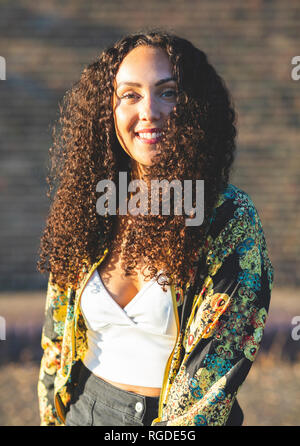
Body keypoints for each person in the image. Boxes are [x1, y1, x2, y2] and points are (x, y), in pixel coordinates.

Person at [37, 30, 274, 426]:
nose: (149, 110)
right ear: (107, 110)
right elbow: (56, 337)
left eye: (168, 92)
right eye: (130, 94)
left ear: (194, 106)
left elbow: (210, 391)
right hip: (83, 409)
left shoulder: (226, 218)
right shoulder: (91, 202)